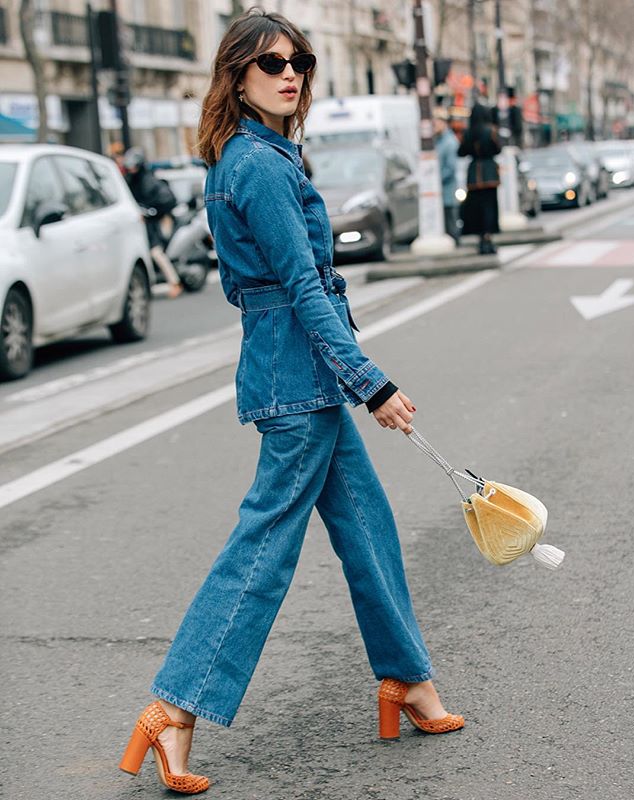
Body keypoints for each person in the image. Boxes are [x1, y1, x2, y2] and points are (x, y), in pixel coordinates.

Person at [119, 9, 464, 795]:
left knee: (368, 527)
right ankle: (173, 708)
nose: (290, 73)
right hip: (296, 378)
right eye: (270, 61)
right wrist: (368, 382)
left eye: (300, 61)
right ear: (236, 74)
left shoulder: (251, 156)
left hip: (292, 372)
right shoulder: (261, 166)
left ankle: (405, 679)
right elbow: (303, 289)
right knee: (265, 549)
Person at [123, 148, 183, 299]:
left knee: (156, 252)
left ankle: (174, 282)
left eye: (134, 166)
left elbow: (168, 200)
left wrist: (151, 212)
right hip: (142, 223)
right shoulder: (130, 181)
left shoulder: (149, 181)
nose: (131, 169)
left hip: (157, 221)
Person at [458, 102, 502, 255]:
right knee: (489, 208)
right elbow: (498, 149)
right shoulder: (491, 131)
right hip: (489, 173)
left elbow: (461, 151)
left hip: (474, 175)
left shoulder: (468, 132)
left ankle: (480, 240)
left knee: (476, 208)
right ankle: (488, 238)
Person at [434, 108, 460, 245]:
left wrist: (436, 180)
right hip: (441, 191)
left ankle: (455, 243)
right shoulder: (438, 141)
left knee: (450, 221)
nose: (434, 126)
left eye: (437, 123)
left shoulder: (449, 142)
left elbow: (451, 167)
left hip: (447, 190)